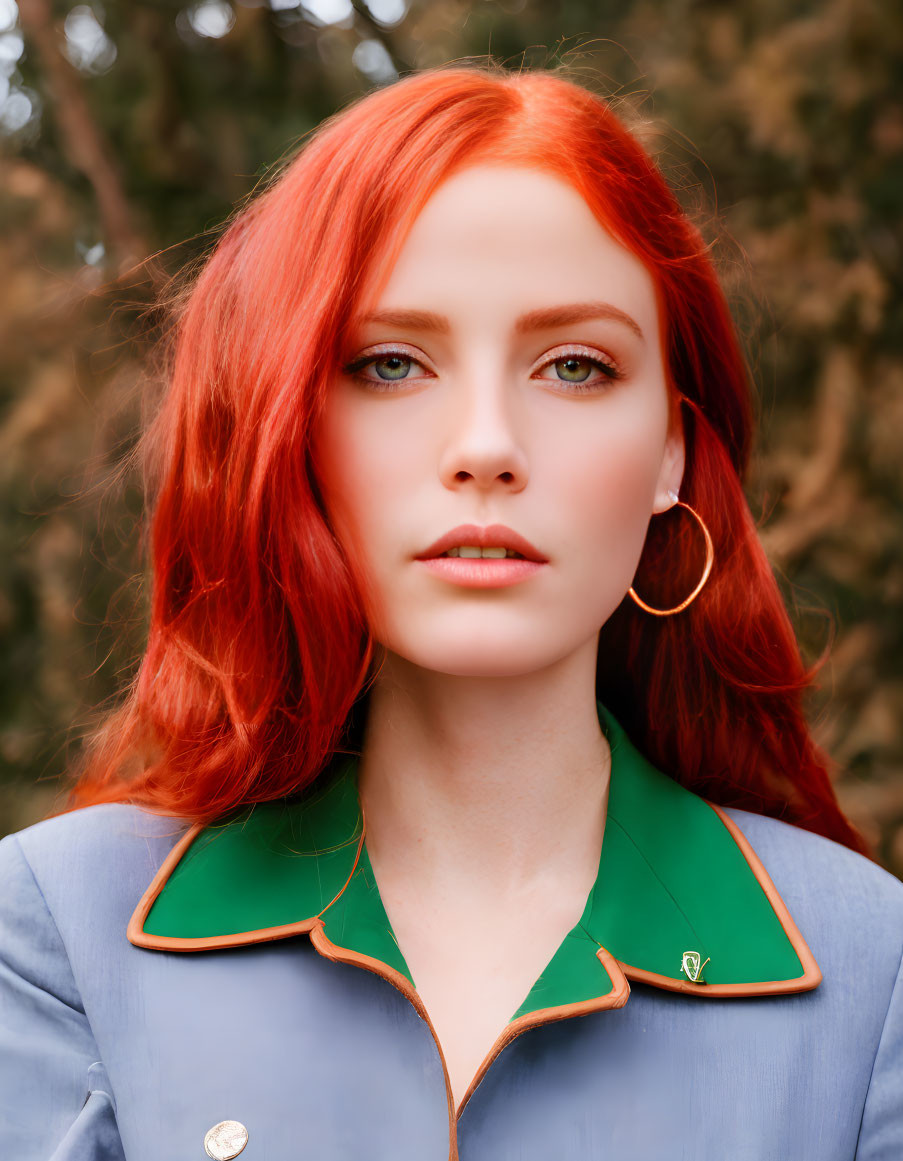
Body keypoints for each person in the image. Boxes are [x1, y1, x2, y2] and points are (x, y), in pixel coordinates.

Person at [1, 62, 901, 1161]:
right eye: (390, 364)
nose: (485, 446)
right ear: (293, 429)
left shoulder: (873, 973)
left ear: (671, 447)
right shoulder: (55, 933)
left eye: (575, 365)